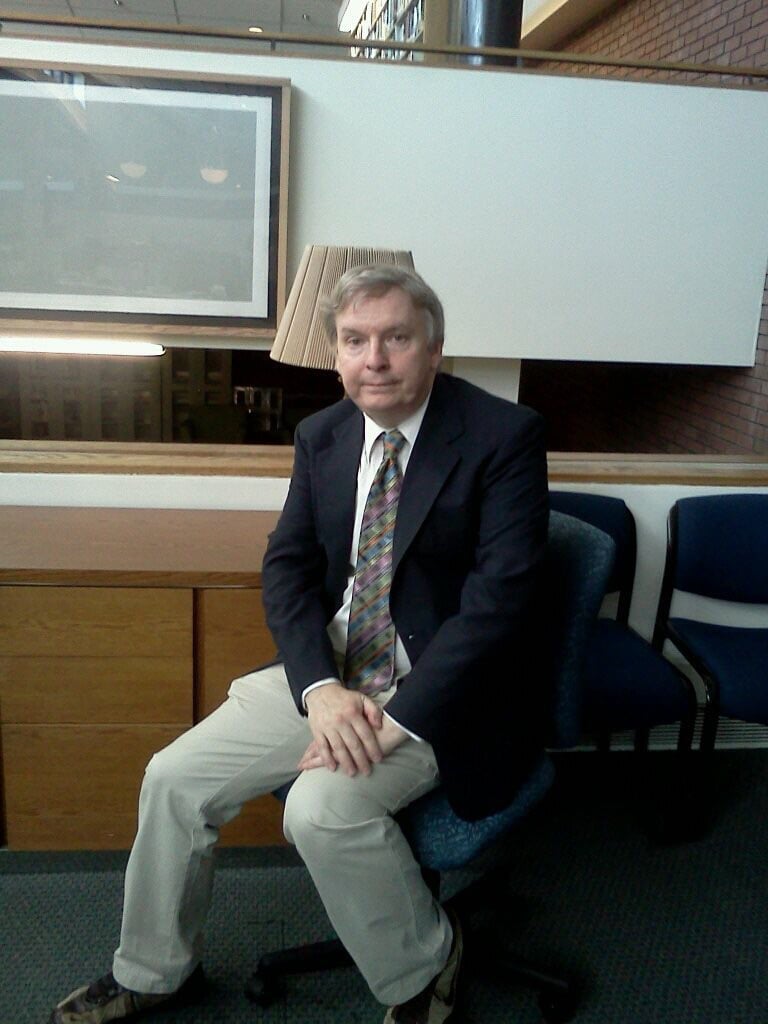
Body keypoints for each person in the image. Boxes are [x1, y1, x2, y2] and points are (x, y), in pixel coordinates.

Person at [49, 264, 549, 1024]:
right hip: (333, 675)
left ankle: (425, 966)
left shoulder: (503, 436)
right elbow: (286, 566)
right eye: (354, 340)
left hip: (442, 690)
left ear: (434, 347)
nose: (374, 359)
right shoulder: (325, 435)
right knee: (173, 777)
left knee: (319, 809)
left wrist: (395, 718)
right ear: (336, 353)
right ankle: (154, 970)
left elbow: (499, 604)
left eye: (395, 338)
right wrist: (318, 690)